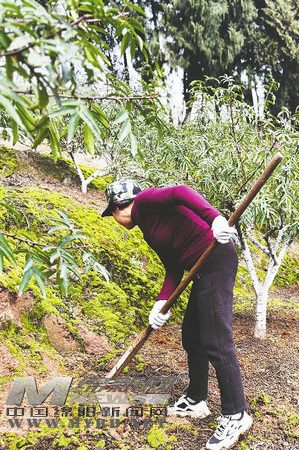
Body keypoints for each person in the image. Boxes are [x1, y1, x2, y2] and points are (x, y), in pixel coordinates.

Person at [101, 180, 252, 450]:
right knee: (192, 337)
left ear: (118, 208)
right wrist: (161, 302)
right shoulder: (148, 229)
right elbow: (173, 267)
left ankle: (236, 415)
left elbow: (180, 191)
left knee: (216, 339)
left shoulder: (145, 201)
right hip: (201, 270)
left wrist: (215, 219)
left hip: (215, 258)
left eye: (111, 214)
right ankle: (196, 400)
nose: (114, 219)